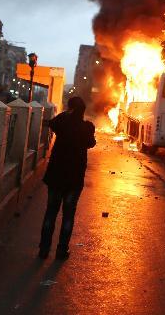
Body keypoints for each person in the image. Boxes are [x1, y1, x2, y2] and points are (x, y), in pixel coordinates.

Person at [38, 96, 96, 259]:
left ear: (69, 109)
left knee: (51, 212)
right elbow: (91, 143)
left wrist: (67, 114)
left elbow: (52, 123)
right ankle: (61, 250)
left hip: (56, 176)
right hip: (74, 179)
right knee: (68, 215)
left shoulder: (62, 123)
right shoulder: (87, 127)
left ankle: (44, 249)